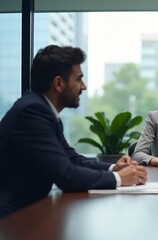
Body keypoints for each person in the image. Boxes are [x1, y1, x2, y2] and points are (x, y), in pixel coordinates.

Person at [0, 45, 147, 219]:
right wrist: (119, 178)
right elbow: (67, 176)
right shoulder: (32, 113)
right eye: (79, 79)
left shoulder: (43, 111)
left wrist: (115, 167)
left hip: (32, 212)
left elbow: (72, 159)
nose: (83, 87)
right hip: (12, 220)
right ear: (59, 83)